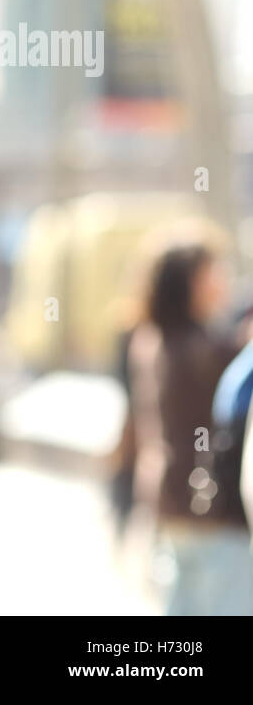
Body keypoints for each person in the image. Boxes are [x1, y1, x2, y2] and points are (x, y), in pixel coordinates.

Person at [124, 226, 250, 614]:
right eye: (215, 270)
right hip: (216, 515)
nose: (224, 279)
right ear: (191, 282)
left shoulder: (149, 342)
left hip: (168, 503)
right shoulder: (206, 351)